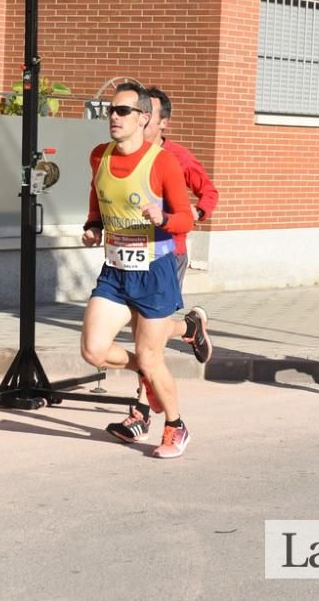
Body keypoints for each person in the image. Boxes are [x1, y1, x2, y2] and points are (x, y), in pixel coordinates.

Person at [80, 82, 195, 458]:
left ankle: (176, 426)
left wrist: (164, 217)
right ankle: (145, 375)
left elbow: (185, 220)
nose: (113, 116)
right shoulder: (100, 155)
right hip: (115, 270)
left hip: (154, 271)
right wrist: (93, 225)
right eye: (111, 110)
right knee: (93, 350)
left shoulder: (162, 162)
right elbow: (98, 196)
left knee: (151, 355)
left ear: (144, 118)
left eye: (122, 111)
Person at [104, 86, 218, 444]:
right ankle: (188, 327)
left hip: (169, 252)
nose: (139, 119)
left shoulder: (174, 157)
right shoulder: (117, 156)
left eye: (146, 114)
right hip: (126, 257)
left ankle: (140, 414)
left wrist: (191, 213)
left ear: (160, 122)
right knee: (143, 340)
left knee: (145, 344)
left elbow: (208, 194)